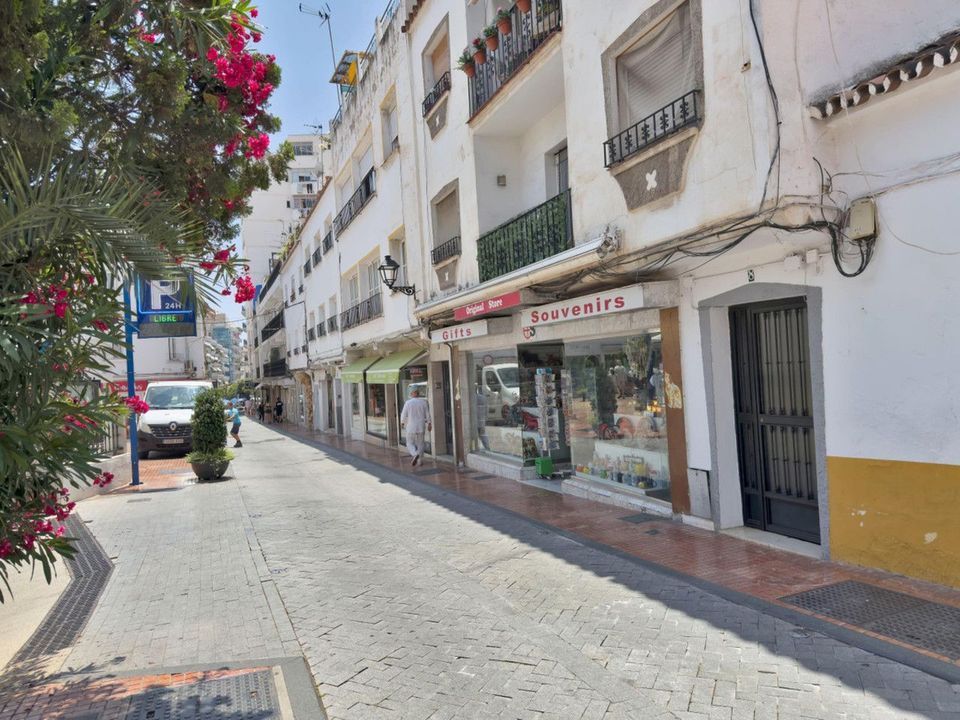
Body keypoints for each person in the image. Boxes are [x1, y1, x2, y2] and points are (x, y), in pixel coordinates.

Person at [400, 386, 431, 466]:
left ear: (411, 393)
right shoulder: (424, 402)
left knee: (409, 443)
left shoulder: (408, 403)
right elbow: (427, 414)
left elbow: (403, 414)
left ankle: (415, 454)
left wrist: (402, 423)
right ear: (418, 393)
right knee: (421, 444)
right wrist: (429, 423)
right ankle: (419, 460)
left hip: (411, 426)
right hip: (421, 426)